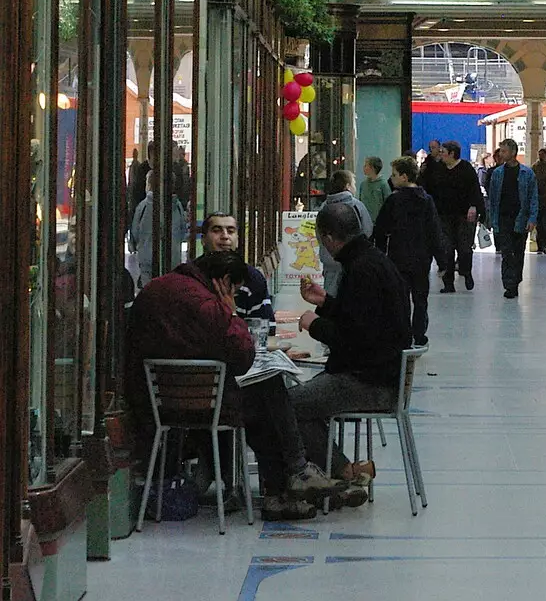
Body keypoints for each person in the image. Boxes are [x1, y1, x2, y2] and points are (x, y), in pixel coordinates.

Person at [125, 249, 341, 520]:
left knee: (263, 396)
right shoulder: (207, 304)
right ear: (225, 281)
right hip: (199, 408)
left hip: (152, 405)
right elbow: (242, 355)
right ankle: (287, 481)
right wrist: (231, 312)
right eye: (235, 290)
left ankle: (291, 478)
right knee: (267, 395)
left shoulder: (156, 289)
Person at [292, 199, 412, 484]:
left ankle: (334, 475)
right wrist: (326, 303)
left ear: (329, 239)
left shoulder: (360, 271)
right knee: (300, 404)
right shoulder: (373, 261)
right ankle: (346, 471)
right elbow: (361, 318)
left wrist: (315, 324)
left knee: (284, 406)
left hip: (368, 383)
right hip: (379, 375)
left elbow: (355, 339)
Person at [373, 155, 443, 348]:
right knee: (421, 298)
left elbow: (380, 230)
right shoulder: (426, 200)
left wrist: (378, 255)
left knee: (400, 299)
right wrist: (442, 261)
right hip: (421, 259)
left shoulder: (393, 201)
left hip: (398, 257)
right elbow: (434, 231)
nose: (391, 178)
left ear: (404, 177)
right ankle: (419, 335)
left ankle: (402, 335)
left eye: (394, 174)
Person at [201, 211, 275, 330]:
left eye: (230, 231)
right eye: (216, 230)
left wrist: (232, 315)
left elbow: (264, 331)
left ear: (237, 239)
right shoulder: (191, 276)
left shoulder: (252, 278)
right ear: (203, 239)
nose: (225, 236)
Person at [486, 139, 538, 299]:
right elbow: (492, 197)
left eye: (504, 151)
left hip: (520, 219)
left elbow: (533, 197)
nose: (501, 154)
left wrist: (532, 218)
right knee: (507, 253)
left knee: (518, 253)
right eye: (500, 151)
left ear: (513, 153)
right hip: (503, 218)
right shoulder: (497, 173)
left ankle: (516, 280)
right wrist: (491, 218)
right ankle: (509, 284)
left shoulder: (527, 173)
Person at [434, 140, 488, 291]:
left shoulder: (466, 168)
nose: (441, 155)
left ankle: (466, 271)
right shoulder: (439, 169)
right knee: (447, 249)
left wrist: (474, 207)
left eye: (443, 152)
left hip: (464, 216)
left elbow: (474, 190)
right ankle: (448, 283)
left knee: (464, 248)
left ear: (452, 154)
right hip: (444, 215)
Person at [315, 171, 373, 297]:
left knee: (330, 296)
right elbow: (367, 231)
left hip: (330, 261)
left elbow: (319, 235)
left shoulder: (324, 207)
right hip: (355, 260)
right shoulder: (357, 206)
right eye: (354, 183)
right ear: (347, 186)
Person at [129, 173, 187, 286]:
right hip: (173, 258)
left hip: (147, 258)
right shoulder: (178, 205)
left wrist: (134, 245)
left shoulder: (143, 206)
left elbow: (135, 231)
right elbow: (182, 231)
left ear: (149, 185)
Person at [359, 156, 389, 223]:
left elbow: (388, 205)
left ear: (372, 168)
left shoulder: (383, 184)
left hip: (379, 222)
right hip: (365, 221)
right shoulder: (363, 185)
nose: (363, 168)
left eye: (366, 165)